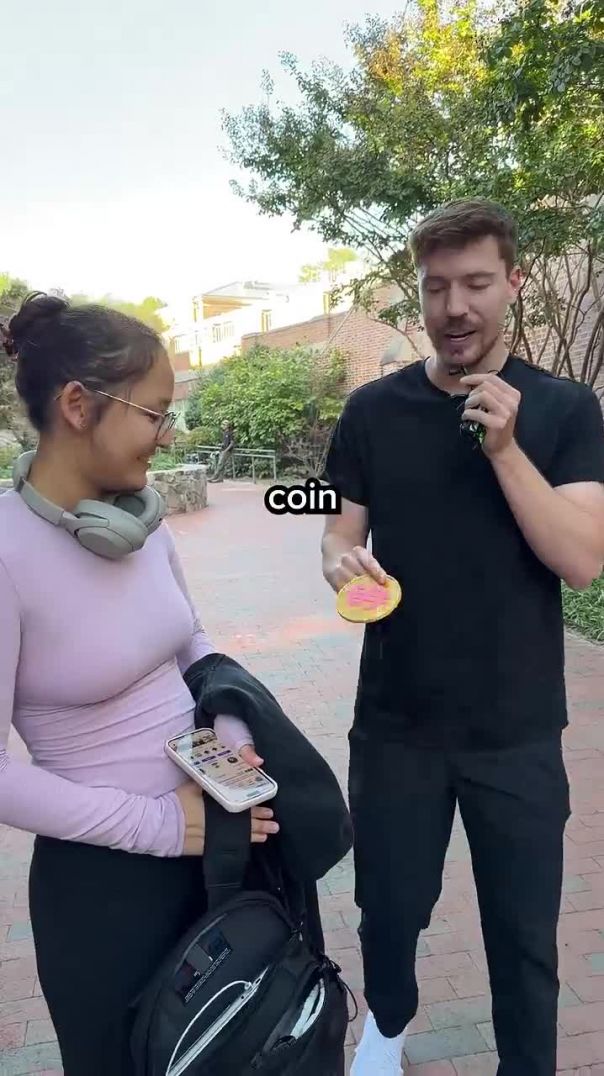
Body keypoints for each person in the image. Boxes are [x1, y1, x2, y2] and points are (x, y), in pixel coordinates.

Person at [321, 199, 604, 1075]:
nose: (455, 307)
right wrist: (341, 563)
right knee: (388, 908)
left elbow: (582, 562)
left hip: (516, 728)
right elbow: (337, 532)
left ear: (513, 283)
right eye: (436, 286)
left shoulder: (567, 409)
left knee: (523, 933)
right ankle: (387, 1027)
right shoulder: (370, 411)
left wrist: (506, 448)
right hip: (396, 722)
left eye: (476, 283)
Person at [0, 293, 279, 1076]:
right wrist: (161, 825)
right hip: (106, 892)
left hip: (214, 851)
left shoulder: (139, 525)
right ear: (78, 405)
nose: (169, 433)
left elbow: (191, 641)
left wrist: (232, 738)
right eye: (154, 413)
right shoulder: (6, 552)